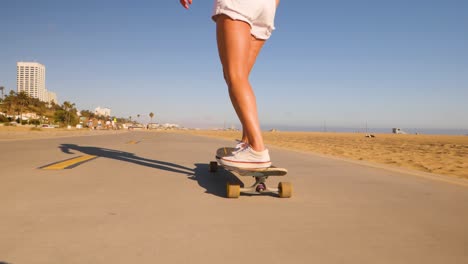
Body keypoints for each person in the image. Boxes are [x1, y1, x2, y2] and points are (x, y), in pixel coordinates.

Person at [180, 0, 279, 169]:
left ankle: (257, 150)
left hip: (240, 4)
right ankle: (247, 143)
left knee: (236, 76)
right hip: (268, 7)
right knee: (238, 77)